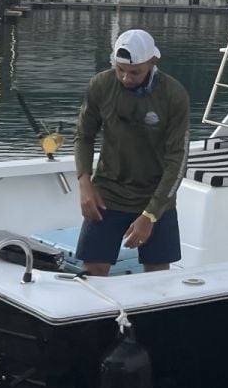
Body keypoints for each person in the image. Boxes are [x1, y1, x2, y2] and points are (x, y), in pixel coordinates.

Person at [73, 28, 189, 276]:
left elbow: (178, 160)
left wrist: (151, 215)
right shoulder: (101, 85)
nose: (126, 78)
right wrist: (85, 184)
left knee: (158, 273)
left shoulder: (174, 95)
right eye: (120, 70)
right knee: (93, 269)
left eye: (135, 72)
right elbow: (84, 136)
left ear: (152, 62)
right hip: (108, 193)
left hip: (156, 196)